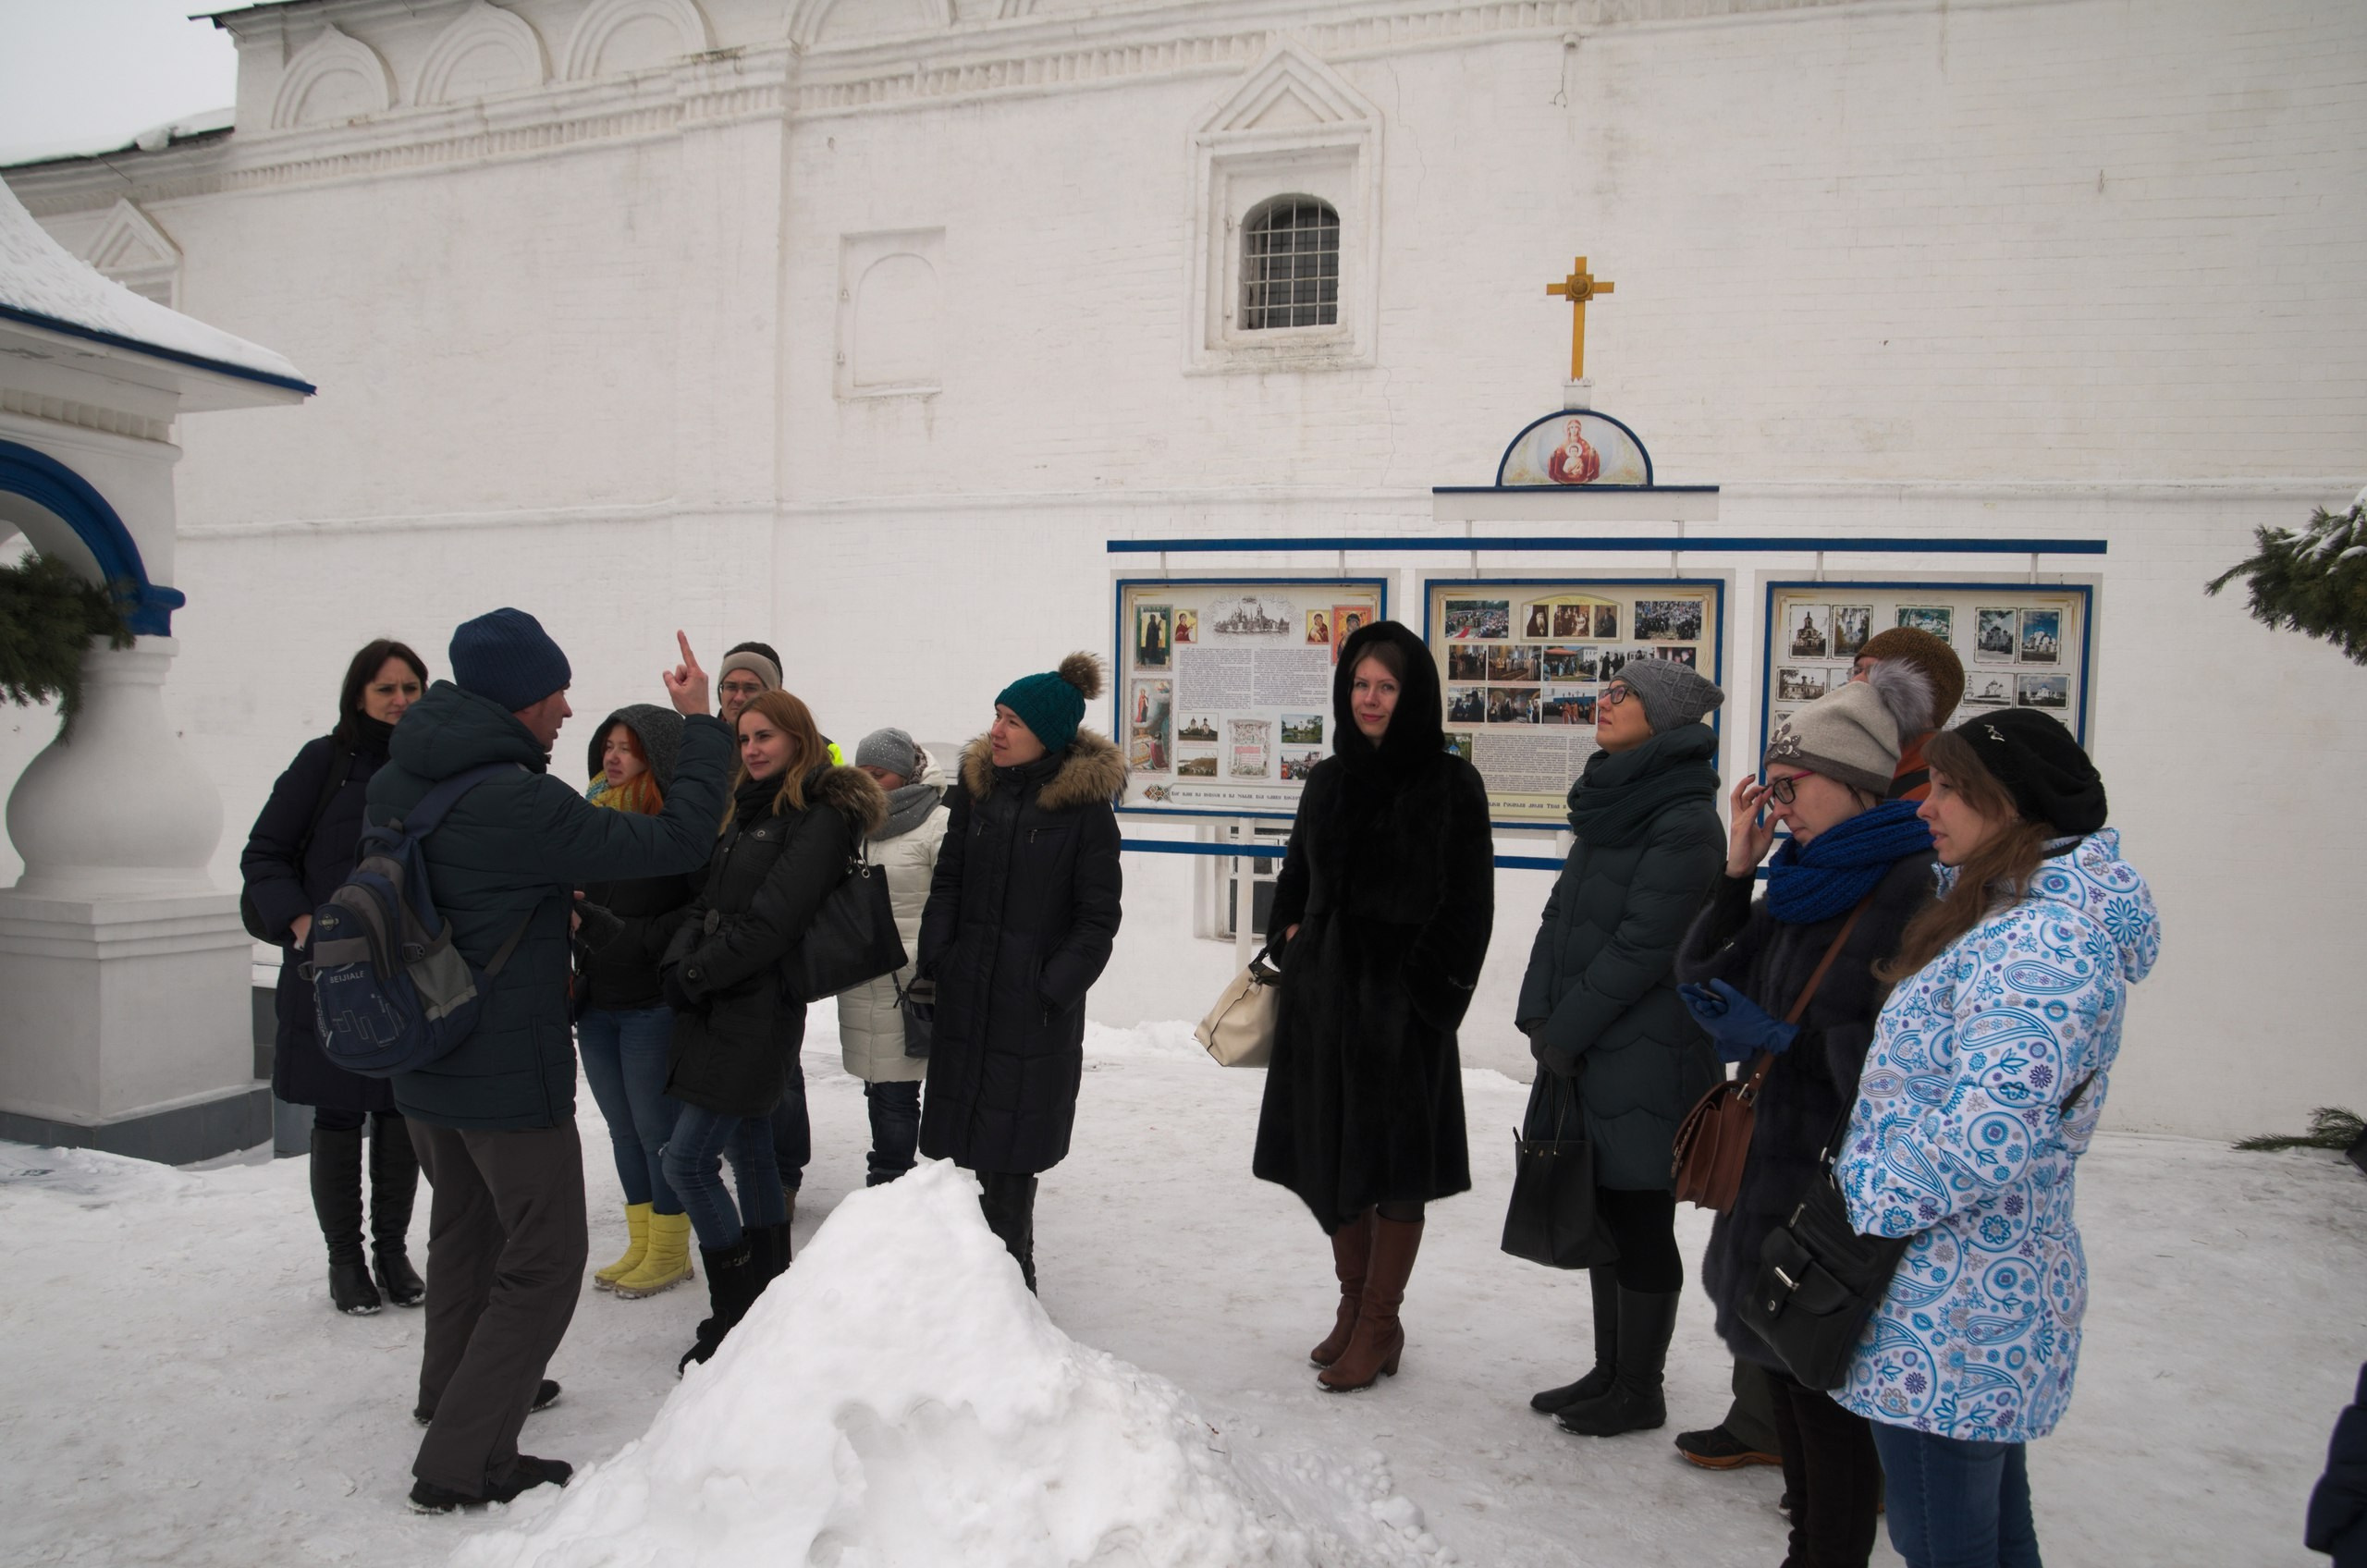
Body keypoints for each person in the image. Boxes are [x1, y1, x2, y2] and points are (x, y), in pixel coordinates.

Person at [372, 611, 730, 1514]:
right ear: (514, 699)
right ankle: (463, 1459)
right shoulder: (514, 799)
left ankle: (449, 1390)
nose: (568, 707)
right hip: (500, 1062)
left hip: (423, 1046)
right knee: (544, 1256)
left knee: (463, 1230)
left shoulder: (401, 775)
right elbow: (678, 841)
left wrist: (527, 912)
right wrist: (701, 728)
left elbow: (451, 891)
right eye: (552, 692)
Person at [1835, 711, 2159, 1567]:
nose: (1924, 807)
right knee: (1989, 1538)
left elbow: (1987, 1134)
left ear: (2010, 805)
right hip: (1958, 1291)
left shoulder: (2041, 942)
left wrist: (1858, 1192)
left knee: (1945, 1541)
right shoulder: (2008, 913)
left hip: (1962, 1305)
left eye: (1948, 788)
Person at [1670, 671, 1938, 1568]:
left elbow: (1905, 1068)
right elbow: (1703, 967)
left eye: (1792, 786)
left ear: (1857, 782)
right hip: (1771, 1176)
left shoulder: (1907, 887)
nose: (1778, 805)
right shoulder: (1800, 875)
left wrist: (1789, 1036)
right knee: (1784, 1387)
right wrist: (1738, 871)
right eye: (1770, 786)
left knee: (1826, 1412)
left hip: (1834, 1184)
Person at [1253, 620, 1494, 1394]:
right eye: (1359, 683)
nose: (1369, 698)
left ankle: (1381, 1321)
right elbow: (1294, 876)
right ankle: (1353, 1307)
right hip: (1325, 1003)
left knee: (1395, 1169)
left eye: (1386, 685)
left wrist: (1424, 995)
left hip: (1403, 1013)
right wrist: (1294, 942)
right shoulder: (1328, 779)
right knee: (1332, 1153)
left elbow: (1469, 908)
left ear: (1412, 692)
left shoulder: (1453, 784)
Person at [1517, 655, 1724, 1439]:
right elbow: (1560, 916)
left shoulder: (1682, 819)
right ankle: (1610, 1371)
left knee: (1639, 1217)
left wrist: (1564, 1032)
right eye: (1606, 690)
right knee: (1603, 1208)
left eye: (1623, 695)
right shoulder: (1615, 802)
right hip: (1590, 1046)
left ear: (1665, 718)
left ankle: (1641, 1387)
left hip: (1648, 1051)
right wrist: (1540, 1016)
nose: (1604, 703)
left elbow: (1644, 948)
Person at [662, 690, 888, 1370]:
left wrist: (696, 975)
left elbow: (772, 925)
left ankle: (732, 1315)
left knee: (688, 1162)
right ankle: (766, 1304)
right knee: (754, 1148)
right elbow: (707, 899)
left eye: (766, 736)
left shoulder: (816, 818)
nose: (753, 748)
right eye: (745, 737)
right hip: (723, 1002)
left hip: (756, 1010)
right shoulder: (748, 810)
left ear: (799, 739)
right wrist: (683, 959)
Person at [917, 653, 1124, 1292]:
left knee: (1008, 1172)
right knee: (955, 1163)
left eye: (1012, 720)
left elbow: (1097, 920)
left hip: (1030, 1015)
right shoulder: (978, 794)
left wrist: (1047, 990)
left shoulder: (1085, 812)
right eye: (997, 715)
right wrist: (938, 964)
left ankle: (1011, 1298)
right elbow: (947, 883)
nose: (996, 731)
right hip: (965, 996)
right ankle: (956, 1293)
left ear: (1048, 735)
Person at [240, 639, 431, 1317]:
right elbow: (264, 853)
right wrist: (300, 927)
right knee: (340, 1109)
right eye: (387, 689)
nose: (401, 701)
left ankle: (392, 1251)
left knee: (400, 1107)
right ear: (359, 695)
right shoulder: (323, 764)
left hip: (404, 971)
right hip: (329, 975)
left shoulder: (431, 770)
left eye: (412, 687)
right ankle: (346, 1261)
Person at [569, 705, 701, 1301]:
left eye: (628, 747)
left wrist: (644, 939)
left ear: (656, 757)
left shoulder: (674, 824)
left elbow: (698, 905)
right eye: (609, 746)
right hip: (597, 1001)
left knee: (656, 1131)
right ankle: (641, 1243)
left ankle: (671, 1251)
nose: (613, 757)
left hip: (650, 1001)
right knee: (623, 1131)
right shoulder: (588, 821)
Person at [835, 727, 948, 1186]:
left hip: (911, 983)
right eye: (860, 773)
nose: (868, 783)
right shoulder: (848, 825)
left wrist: (928, 960)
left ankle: (891, 1181)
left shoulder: (937, 824)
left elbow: (951, 902)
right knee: (876, 1085)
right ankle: (889, 1178)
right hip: (862, 979)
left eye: (878, 774)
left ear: (905, 776)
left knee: (898, 1094)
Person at [1847, 627, 1965, 801]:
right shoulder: (1857, 769)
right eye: (1857, 671)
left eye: (1877, 672)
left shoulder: (1934, 795)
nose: (1856, 681)